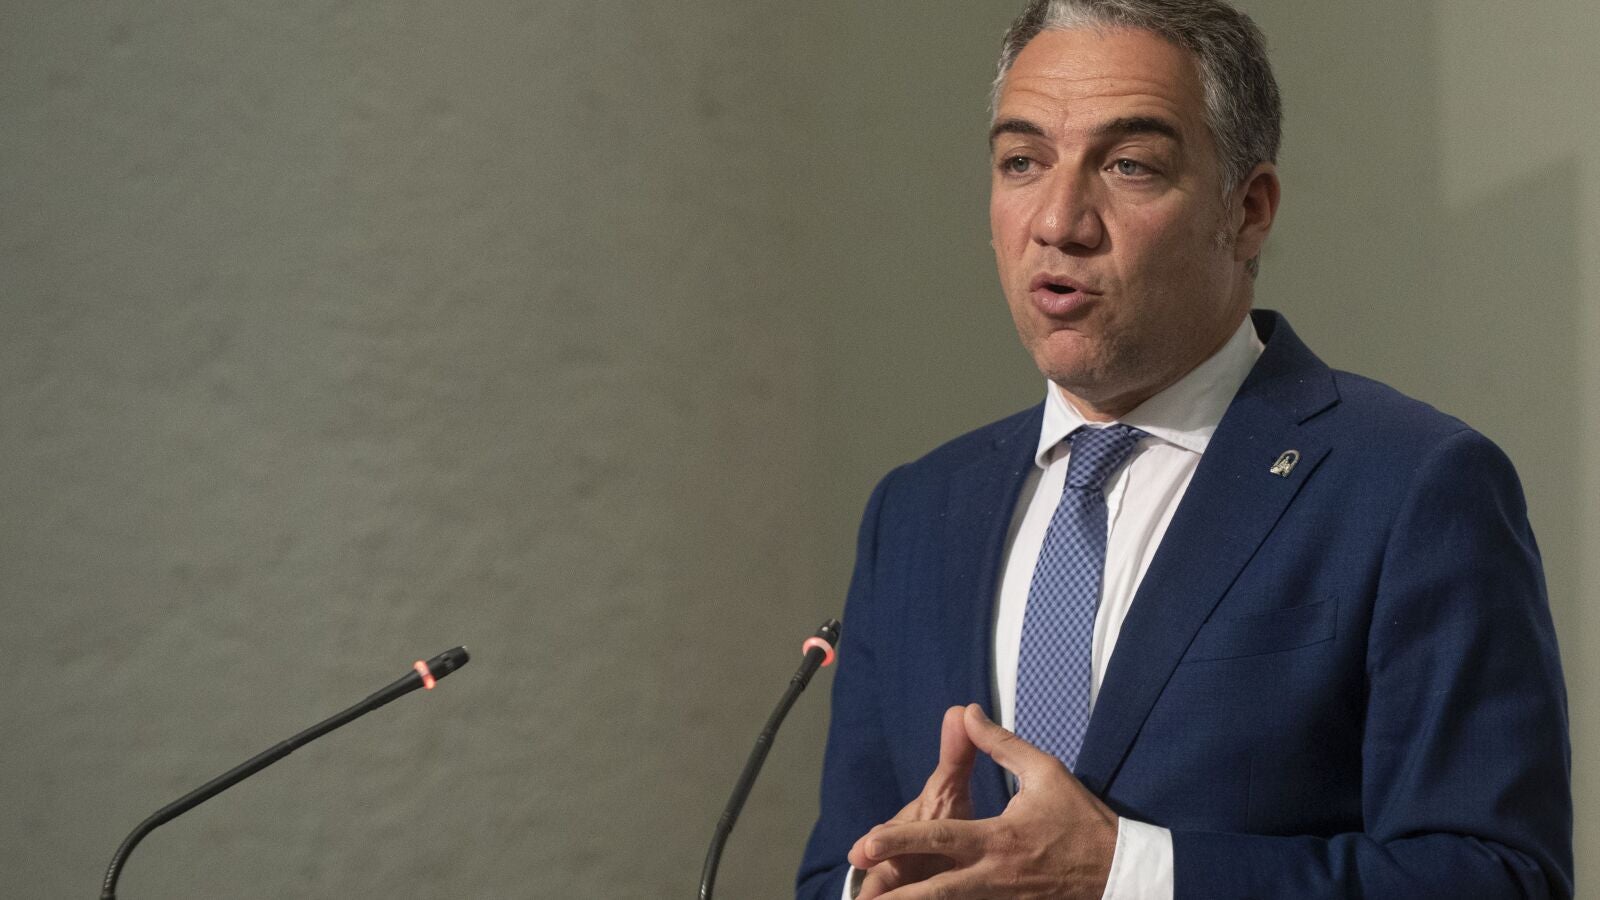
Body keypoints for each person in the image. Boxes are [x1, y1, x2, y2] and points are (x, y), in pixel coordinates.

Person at [796, 1, 1573, 898]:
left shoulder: (1412, 487)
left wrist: (1125, 873)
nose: (1059, 221)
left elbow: (1500, 879)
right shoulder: (916, 512)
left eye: (1128, 165)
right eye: (1022, 163)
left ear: (1248, 211)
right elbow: (834, 870)